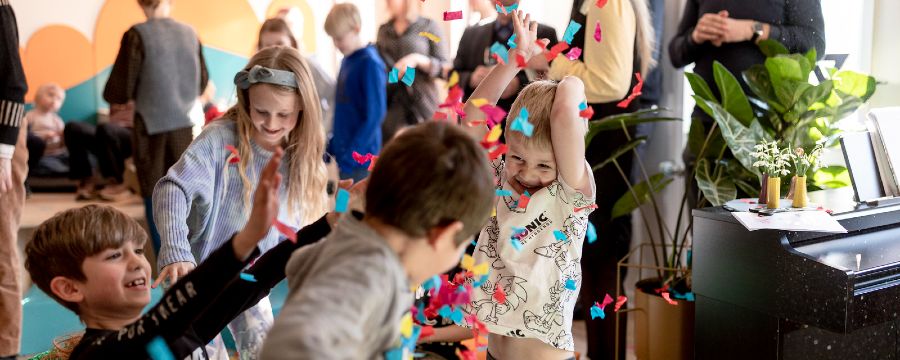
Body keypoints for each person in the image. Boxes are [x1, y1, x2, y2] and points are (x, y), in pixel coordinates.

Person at [23, 149, 339, 359]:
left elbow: (254, 281)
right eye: (114, 257)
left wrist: (330, 222)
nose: (136, 262)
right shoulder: (100, 354)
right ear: (70, 288)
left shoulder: (176, 331)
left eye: (136, 250)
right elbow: (166, 320)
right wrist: (244, 240)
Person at [259, 121, 494, 360]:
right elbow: (290, 346)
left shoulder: (353, 239)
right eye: (462, 245)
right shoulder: (372, 274)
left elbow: (299, 264)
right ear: (443, 235)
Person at [153, 46, 328, 358]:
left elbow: (297, 228)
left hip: (249, 282)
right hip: (197, 280)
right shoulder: (219, 139)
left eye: (284, 114)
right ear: (246, 101)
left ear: (302, 107)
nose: (272, 123)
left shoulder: (301, 155)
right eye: (261, 111)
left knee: (267, 351)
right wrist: (176, 249)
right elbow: (171, 188)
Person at [459, 11, 597, 360]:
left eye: (544, 165)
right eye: (519, 157)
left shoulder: (571, 192)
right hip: (493, 352)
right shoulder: (501, 176)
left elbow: (566, 113)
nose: (529, 174)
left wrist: (562, 76)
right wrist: (513, 60)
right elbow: (470, 121)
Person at [540, 0, 656, 358]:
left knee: (600, 258)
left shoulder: (611, 3)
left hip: (606, 146)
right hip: (597, 144)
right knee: (591, 262)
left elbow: (608, 83)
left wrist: (548, 61)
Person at [103, 0, 209, 252]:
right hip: (185, 127)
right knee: (184, 192)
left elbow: (118, 90)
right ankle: (191, 262)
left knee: (155, 194)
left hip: (150, 130)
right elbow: (202, 83)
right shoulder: (190, 33)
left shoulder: (137, 36)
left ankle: (168, 266)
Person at [453, 0, 558, 113]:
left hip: (526, 120)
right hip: (478, 117)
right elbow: (452, 75)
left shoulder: (546, 33)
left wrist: (519, 83)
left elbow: (556, 80)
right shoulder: (470, 33)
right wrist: (471, 78)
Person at [324, 3, 387, 182]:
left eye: (340, 38)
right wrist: (333, 146)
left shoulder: (370, 64)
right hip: (345, 158)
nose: (336, 44)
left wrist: (353, 154)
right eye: (333, 39)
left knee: (355, 208)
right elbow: (344, 109)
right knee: (342, 206)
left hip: (361, 163)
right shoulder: (346, 61)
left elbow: (375, 116)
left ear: (356, 29)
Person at [376, 0, 449, 141]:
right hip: (392, 106)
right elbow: (381, 68)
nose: (388, 2)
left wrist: (417, 60)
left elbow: (446, 69)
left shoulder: (429, 26)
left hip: (422, 105)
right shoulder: (384, 30)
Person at [0, 1, 28, 358]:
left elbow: (12, 83)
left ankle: (6, 349)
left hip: (1, 137)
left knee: (1, 247)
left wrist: (3, 151)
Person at [257, 17, 336, 135]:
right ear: (260, 49)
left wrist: (323, 129)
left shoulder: (307, 66)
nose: (275, 50)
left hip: (311, 137)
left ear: (292, 43)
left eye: (280, 43)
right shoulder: (260, 74)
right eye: (268, 46)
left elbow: (334, 94)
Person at [63, 103, 135, 201]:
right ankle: (87, 179)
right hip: (107, 134)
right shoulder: (116, 91)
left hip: (133, 134)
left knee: (105, 128)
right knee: (73, 127)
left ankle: (116, 182)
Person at [24, 84, 68, 178]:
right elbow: (25, 136)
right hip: (41, 155)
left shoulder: (57, 120)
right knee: (42, 164)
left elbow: (63, 142)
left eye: (59, 99)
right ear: (39, 96)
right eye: (51, 95)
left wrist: (63, 137)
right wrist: (44, 135)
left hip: (57, 154)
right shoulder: (30, 116)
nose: (54, 101)